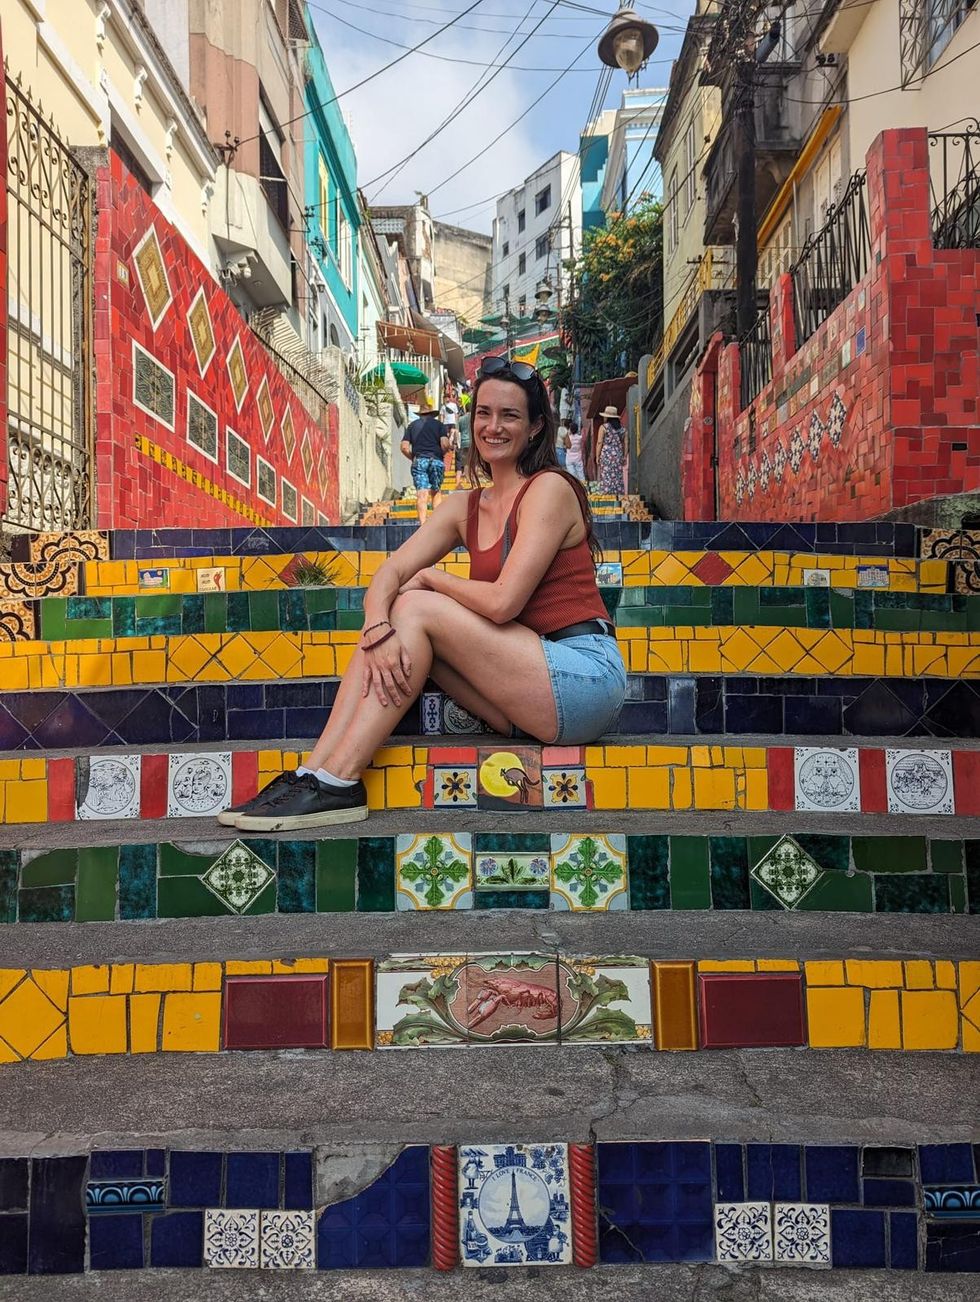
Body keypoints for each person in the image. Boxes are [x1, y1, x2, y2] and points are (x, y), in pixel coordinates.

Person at [217, 357, 627, 831]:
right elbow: (390, 571)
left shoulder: (549, 488)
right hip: (524, 689)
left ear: (535, 427)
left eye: (509, 416)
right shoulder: (462, 506)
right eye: (484, 413)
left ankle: (340, 778)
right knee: (395, 611)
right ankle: (315, 771)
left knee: (416, 603)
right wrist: (376, 621)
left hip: (585, 678)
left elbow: (501, 603)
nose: (493, 427)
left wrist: (431, 580)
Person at [401, 400, 449, 524]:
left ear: (420, 415)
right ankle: (436, 524)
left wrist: (413, 457)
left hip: (420, 461)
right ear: (432, 414)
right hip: (436, 461)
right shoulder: (439, 425)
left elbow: (404, 447)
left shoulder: (412, 426)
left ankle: (422, 524)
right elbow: (445, 444)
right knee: (436, 492)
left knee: (422, 493)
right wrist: (441, 454)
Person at [596, 405, 626, 494]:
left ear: (607, 417)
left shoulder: (603, 427)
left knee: (606, 476)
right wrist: (624, 456)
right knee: (617, 476)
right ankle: (618, 495)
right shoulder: (622, 429)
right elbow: (625, 443)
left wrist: (597, 456)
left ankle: (607, 495)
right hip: (618, 454)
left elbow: (599, 442)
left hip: (606, 455)